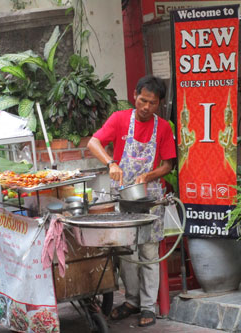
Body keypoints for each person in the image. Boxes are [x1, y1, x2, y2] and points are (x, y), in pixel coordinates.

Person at [88, 75, 176, 327]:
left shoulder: (164, 128)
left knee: (148, 252)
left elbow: (168, 164)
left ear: (159, 103)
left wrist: (148, 175)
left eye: (153, 103)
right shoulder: (119, 119)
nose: (146, 107)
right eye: (143, 100)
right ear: (135, 95)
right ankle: (131, 300)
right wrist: (110, 162)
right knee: (126, 253)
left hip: (149, 198)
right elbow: (94, 142)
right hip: (123, 197)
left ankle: (148, 306)